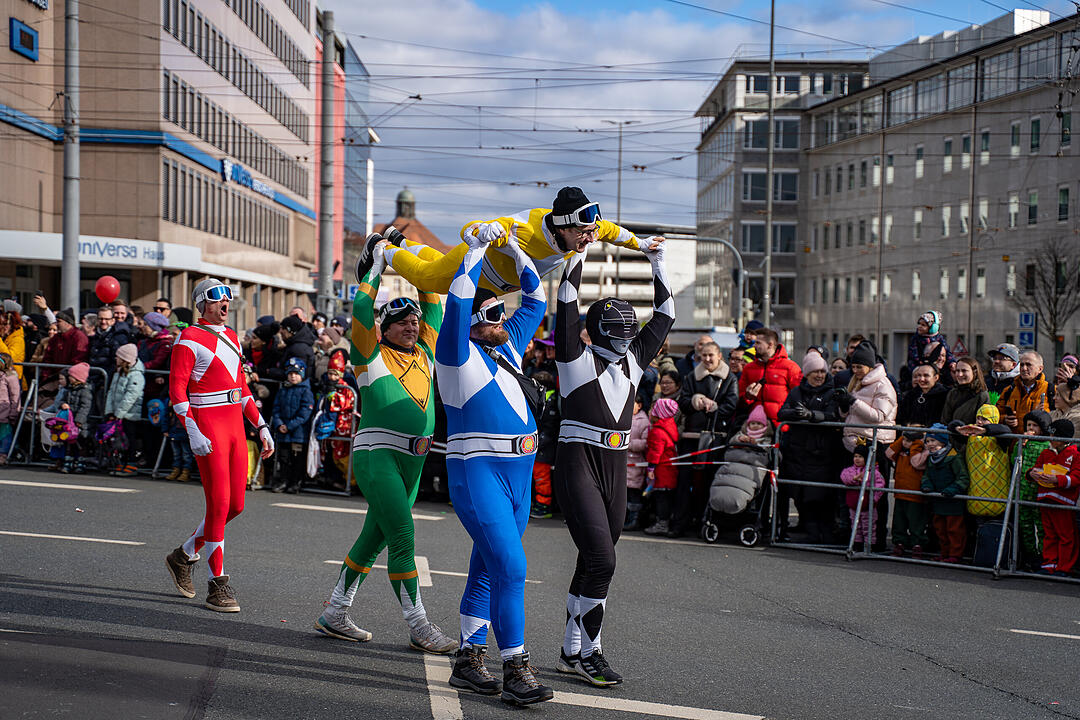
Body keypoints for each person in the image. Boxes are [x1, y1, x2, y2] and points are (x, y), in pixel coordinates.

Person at [315, 240, 455, 655]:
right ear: (385, 328)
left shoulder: (426, 353)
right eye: (401, 322)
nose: (411, 326)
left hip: (414, 459)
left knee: (374, 540)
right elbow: (361, 311)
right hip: (378, 456)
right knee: (403, 535)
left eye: (413, 321)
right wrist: (376, 268)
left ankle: (335, 612)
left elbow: (434, 304)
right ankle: (419, 625)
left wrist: (416, 258)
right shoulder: (368, 354)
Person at [435, 232, 552, 705]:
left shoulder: (507, 348)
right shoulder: (455, 356)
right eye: (489, 314)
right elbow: (459, 298)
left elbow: (536, 299)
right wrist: (475, 254)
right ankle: (516, 669)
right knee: (511, 567)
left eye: (501, 312)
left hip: (518, 480)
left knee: (487, 569)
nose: (501, 319)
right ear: (469, 323)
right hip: (479, 475)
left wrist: (518, 252)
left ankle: (468, 659)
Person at [552, 233, 673, 688]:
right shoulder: (573, 360)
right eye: (617, 332)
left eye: (629, 332)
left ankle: (570, 648)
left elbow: (666, 314)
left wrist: (656, 260)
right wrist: (578, 253)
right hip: (578, 462)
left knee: (593, 560)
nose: (626, 339)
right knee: (603, 561)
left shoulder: (636, 361)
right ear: (598, 330)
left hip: (615, 465)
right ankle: (591, 653)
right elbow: (566, 300)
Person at [164, 279, 274, 613]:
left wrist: (262, 425)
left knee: (235, 506)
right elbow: (177, 393)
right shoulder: (188, 339)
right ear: (201, 303)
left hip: (235, 428)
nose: (225, 303)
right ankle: (218, 585)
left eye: (228, 298)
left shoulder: (230, 337)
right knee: (218, 505)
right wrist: (193, 431)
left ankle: (182, 556)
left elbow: (241, 389)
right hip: (209, 428)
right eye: (217, 298)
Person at [360, 186, 662, 299]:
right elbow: (468, 230)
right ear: (563, 227)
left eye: (592, 230)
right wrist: (483, 230)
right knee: (428, 279)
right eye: (584, 232)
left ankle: (398, 239)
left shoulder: (586, 230)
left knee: (435, 261)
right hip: (480, 268)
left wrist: (643, 244)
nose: (591, 237)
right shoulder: (525, 228)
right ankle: (383, 249)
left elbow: (614, 232)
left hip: (498, 288)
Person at [776, 351, 842, 543]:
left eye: (822, 371)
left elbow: (832, 416)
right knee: (801, 495)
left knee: (821, 496)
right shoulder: (797, 391)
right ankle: (811, 534)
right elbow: (782, 413)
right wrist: (798, 414)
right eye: (815, 372)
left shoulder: (831, 391)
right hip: (798, 452)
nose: (820, 375)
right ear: (807, 373)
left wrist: (812, 415)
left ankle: (826, 536)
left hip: (821, 452)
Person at [1028, 419, 1080, 575]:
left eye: (1054, 435)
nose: (1050, 438)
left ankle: (1064, 567)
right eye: (1050, 434)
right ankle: (1049, 564)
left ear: (1064, 438)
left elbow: (1077, 478)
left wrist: (1057, 480)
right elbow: (1035, 469)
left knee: (1066, 535)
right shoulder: (1046, 453)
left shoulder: (1075, 455)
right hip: (1045, 499)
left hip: (1063, 502)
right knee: (1049, 534)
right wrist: (1031, 473)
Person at [921, 424, 970, 563]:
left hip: (952, 500)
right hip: (938, 499)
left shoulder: (954, 457)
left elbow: (963, 477)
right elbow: (927, 475)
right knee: (940, 529)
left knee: (954, 529)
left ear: (943, 441)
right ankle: (944, 552)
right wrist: (926, 485)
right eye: (928, 441)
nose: (930, 444)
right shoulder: (932, 459)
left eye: (933, 441)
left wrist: (953, 489)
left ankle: (955, 554)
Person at [952, 404, 1011, 520]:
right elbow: (951, 425)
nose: (979, 422)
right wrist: (958, 429)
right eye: (978, 418)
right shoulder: (972, 435)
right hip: (975, 495)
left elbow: (1005, 429)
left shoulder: (1000, 437)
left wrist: (985, 430)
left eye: (984, 419)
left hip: (997, 497)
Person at [738, 327, 802, 424]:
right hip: (755, 426)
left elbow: (798, 398)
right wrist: (747, 397)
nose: (754, 346)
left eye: (758, 343)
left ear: (770, 345)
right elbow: (739, 398)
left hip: (780, 426)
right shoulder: (748, 368)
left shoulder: (790, 367)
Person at [270, 358, 314, 494]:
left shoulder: (306, 391)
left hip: (298, 433)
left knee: (297, 459)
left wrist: (289, 426)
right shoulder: (283, 390)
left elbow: (305, 413)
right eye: (290, 374)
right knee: (284, 458)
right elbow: (276, 409)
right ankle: (283, 480)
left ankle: (295, 482)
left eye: (296, 373)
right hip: (284, 432)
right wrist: (279, 424)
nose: (293, 376)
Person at [1014, 411, 1051, 570]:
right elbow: (1014, 461)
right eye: (1028, 425)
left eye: (1035, 425)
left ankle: (1043, 556)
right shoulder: (1023, 442)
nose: (1031, 428)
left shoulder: (1047, 445)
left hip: (1038, 492)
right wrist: (1019, 445)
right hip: (1023, 490)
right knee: (1025, 525)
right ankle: (1031, 556)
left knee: (1041, 527)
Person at [885, 430, 929, 557]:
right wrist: (901, 440)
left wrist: (917, 444)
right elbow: (888, 453)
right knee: (899, 522)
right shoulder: (901, 451)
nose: (905, 443)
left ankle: (917, 544)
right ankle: (899, 543)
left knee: (916, 523)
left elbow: (916, 463)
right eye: (904, 440)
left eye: (908, 441)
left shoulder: (921, 452)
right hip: (900, 492)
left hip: (915, 494)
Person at [104, 343, 145, 476]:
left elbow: (131, 396)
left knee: (129, 439)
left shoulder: (136, 375)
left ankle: (132, 464)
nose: (116, 359)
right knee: (120, 440)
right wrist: (109, 411)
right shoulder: (118, 372)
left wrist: (119, 413)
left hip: (129, 414)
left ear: (125, 359)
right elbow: (111, 391)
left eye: (118, 357)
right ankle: (121, 462)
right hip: (118, 413)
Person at [642, 397, 680, 536]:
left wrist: (651, 468)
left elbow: (655, 452)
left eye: (654, 409)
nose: (651, 411)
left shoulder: (658, 431)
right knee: (665, 498)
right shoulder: (670, 426)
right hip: (669, 470)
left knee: (661, 499)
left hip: (662, 471)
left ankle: (662, 524)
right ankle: (663, 521)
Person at [840, 444, 885, 547]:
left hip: (868, 505)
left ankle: (870, 544)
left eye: (860, 456)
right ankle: (857, 543)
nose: (857, 459)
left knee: (868, 525)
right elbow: (844, 477)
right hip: (854, 504)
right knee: (855, 524)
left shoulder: (873, 472)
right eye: (855, 456)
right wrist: (854, 479)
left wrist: (874, 499)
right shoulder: (850, 470)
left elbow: (880, 485)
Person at [530, 370, 560, 520]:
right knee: (535, 475)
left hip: (545, 447)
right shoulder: (538, 398)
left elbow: (551, 427)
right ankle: (537, 501)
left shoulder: (554, 400)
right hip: (536, 444)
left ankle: (544, 505)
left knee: (542, 477)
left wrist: (539, 442)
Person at [996, 351, 1050, 432]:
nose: (1024, 368)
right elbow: (995, 415)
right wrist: (1005, 419)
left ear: (1040, 369)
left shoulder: (1051, 390)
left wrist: (1039, 416)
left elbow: (1057, 418)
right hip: (1014, 443)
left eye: (1028, 365)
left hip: (1038, 443)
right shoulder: (1009, 390)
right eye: (1022, 365)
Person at [623, 391, 651, 531]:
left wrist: (628, 444)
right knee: (624, 494)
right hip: (623, 463)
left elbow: (646, 442)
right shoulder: (623, 417)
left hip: (636, 463)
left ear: (639, 405)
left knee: (634, 494)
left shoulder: (644, 421)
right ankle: (624, 519)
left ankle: (635, 519)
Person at [940, 357, 989, 427]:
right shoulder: (952, 393)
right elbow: (945, 420)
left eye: (964, 371)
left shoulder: (982, 395)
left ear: (974, 372)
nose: (960, 374)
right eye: (957, 371)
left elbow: (984, 423)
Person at [906, 310, 955, 375]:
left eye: (923, 325)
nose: (919, 326)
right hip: (918, 366)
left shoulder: (939, 339)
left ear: (933, 328)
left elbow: (947, 352)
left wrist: (952, 362)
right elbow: (913, 353)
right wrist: (921, 362)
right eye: (919, 324)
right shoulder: (916, 339)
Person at [274, 315, 316, 381]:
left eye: (283, 328)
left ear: (290, 330)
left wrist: (271, 372)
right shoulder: (294, 345)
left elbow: (295, 374)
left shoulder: (298, 349)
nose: (280, 331)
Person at [0, 352, 20, 464]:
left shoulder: (10, 377)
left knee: (5, 435)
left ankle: (3, 454)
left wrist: (13, 413)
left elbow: (15, 396)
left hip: (4, 412)